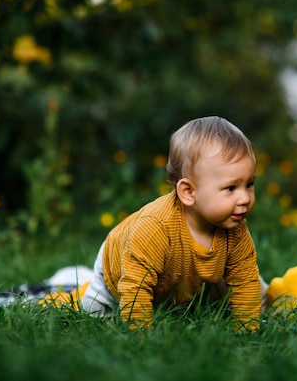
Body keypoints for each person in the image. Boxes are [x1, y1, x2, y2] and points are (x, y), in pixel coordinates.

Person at [81, 116, 266, 330]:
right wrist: (142, 339)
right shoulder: (156, 228)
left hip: (180, 279)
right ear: (188, 192)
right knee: (95, 313)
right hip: (119, 270)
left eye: (250, 184)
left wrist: (248, 333)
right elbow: (134, 287)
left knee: (238, 295)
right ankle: (78, 292)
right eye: (231, 188)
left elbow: (244, 281)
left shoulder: (235, 229)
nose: (244, 198)